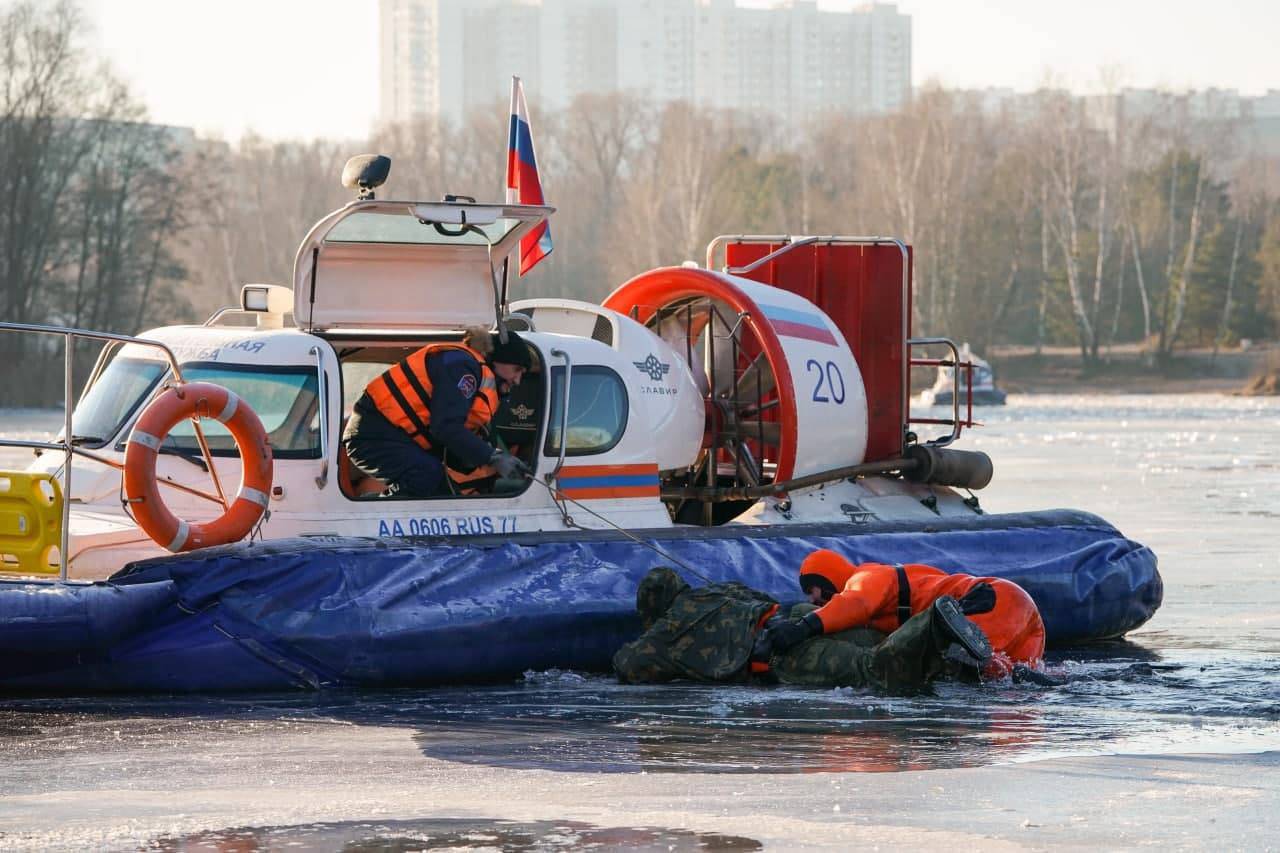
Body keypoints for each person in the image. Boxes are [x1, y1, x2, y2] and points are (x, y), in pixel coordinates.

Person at [612, 566, 995, 695]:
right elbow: (758, 596)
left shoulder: (666, 631)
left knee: (872, 669)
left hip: (781, 653)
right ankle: (986, 670)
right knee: (884, 644)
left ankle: (934, 623)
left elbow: (628, 664)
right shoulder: (720, 589)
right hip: (798, 617)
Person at [764, 549, 1046, 678]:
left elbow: (854, 604)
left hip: (988, 599)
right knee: (1009, 676)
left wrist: (803, 626)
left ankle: (973, 654)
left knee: (967, 664)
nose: (813, 599)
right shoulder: (894, 586)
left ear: (830, 577)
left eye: (813, 589)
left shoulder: (867, 578)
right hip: (1024, 620)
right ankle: (1039, 677)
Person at [342, 326, 532, 498]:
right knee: (426, 474)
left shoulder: (469, 368)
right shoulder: (463, 368)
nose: (517, 380)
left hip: (389, 435)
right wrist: (493, 457)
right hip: (374, 434)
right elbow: (445, 428)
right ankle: (382, 526)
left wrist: (491, 456)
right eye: (517, 369)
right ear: (499, 359)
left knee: (443, 493)